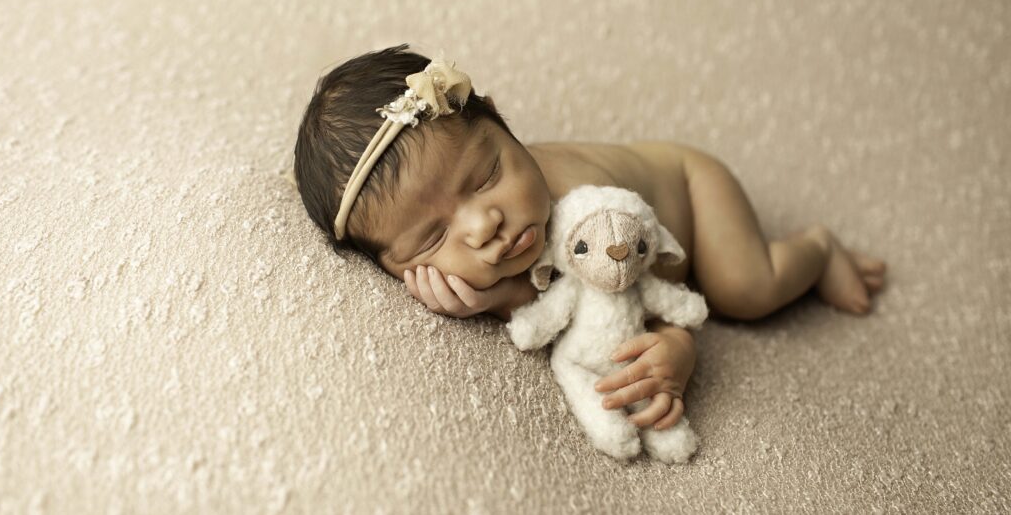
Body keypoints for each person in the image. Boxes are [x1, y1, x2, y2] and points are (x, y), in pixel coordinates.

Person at [291, 44, 888, 433]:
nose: (483, 225)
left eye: (487, 175)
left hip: (689, 193)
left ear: (502, 122)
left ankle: (818, 247)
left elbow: (640, 299)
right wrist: (480, 298)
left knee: (744, 289)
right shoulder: (479, 239)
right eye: (430, 239)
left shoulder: (585, 208)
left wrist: (677, 350)